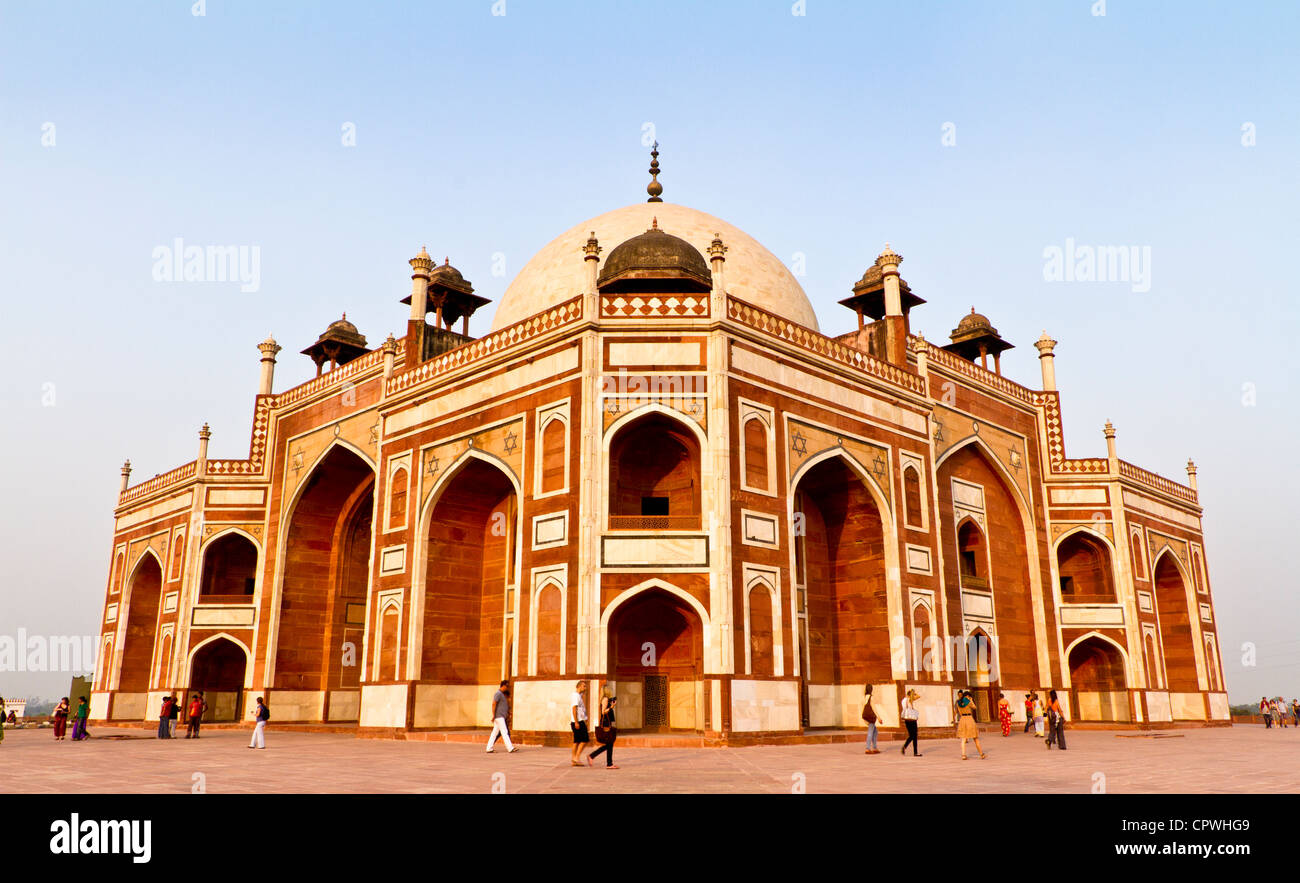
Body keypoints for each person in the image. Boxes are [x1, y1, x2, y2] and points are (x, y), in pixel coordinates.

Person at [587, 684, 619, 769]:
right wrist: (612, 707)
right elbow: (603, 712)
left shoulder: (606, 699)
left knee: (610, 744)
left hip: (606, 722)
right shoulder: (605, 699)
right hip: (605, 723)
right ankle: (593, 756)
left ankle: (609, 763)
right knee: (609, 744)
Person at [486, 680, 518, 753]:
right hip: (499, 716)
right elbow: (494, 704)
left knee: (494, 733)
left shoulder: (501, 694)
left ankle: (489, 748)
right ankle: (510, 748)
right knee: (504, 732)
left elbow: (503, 705)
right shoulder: (498, 694)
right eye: (507, 686)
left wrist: (508, 712)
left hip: (500, 716)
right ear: (503, 686)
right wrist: (493, 715)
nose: (507, 688)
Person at [956, 690, 986, 760]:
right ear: (968, 696)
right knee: (975, 738)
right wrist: (971, 700)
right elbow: (975, 707)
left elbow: (959, 713)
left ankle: (963, 755)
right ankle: (981, 754)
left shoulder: (958, 703)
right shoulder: (968, 701)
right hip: (969, 719)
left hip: (962, 719)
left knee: (963, 738)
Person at [569, 680, 590, 766]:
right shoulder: (575, 696)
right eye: (584, 686)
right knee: (585, 739)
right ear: (579, 686)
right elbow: (574, 709)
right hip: (578, 721)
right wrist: (576, 722)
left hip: (579, 721)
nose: (585, 688)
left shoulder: (578, 696)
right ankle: (576, 758)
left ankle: (574, 759)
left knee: (576, 741)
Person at [900, 688, 921, 756]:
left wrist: (910, 693)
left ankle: (905, 747)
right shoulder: (909, 699)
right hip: (912, 720)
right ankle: (914, 752)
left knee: (912, 736)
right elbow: (919, 696)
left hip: (907, 720)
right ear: (911, 695)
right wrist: (914, 693)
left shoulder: (903, 700)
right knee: (914, 736)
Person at [862, 684, 880, 754]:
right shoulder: (871, 697)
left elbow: (863, 708)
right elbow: (873, 708)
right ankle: (868, 748)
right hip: (871, 717)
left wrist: (863, 718)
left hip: (866, 716)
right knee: (870, 732)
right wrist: (878, 717)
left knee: (875, 732)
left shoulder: (864, 697)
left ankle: (875, 747)